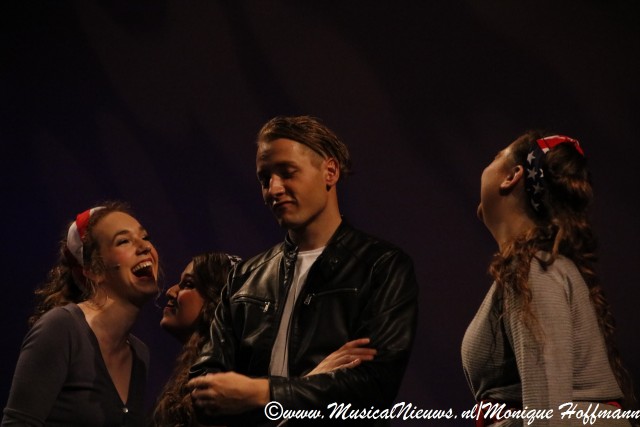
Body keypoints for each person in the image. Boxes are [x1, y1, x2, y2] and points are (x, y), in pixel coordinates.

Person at [186, 115, 419, 426]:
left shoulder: (381, 266)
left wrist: (261, 393)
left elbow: (375, 387)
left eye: (287, 172)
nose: (273, 189)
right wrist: (307, 382)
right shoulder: (244, 278)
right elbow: (201, 392)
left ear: (330, 171)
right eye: (264, 179)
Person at [462, 132, 634, 426]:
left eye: (496, 157)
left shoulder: (534, 269)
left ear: (512, 176)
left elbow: (547, 409)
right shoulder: (533, 267)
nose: (487, 164)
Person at [2, 202, 159, 427]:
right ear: (94, 270)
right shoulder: (62, 328)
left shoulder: (139, 354)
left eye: (145, 237)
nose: (145, 247)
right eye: (123, 241)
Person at [151, 252, 241, 427]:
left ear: (217, 300)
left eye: (188, 284)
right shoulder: (192, 371)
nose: (170, 292)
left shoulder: (224, 383)